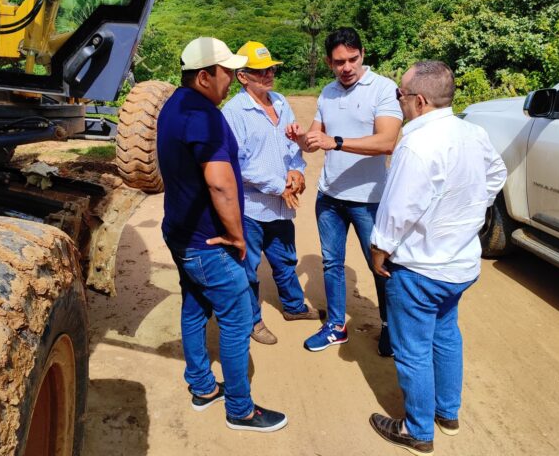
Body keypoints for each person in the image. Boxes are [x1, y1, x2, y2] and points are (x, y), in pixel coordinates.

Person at [368, 60, 507, 455]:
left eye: (400, 95)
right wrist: (468, 211)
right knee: (446, 334)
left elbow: (398, 209)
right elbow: (497, 172)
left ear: (419, 100)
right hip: (460, 264)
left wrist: (379, 248)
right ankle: (447, 413)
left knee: (413, 349)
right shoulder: (472, 132)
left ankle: (417, 430)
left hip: (421, 268)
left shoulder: (416, 143)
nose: (399, 102)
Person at [157, 37, 287, 433]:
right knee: (237, 318)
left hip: (180, 234)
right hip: (209, 242)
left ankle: (201, 386)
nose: (231, 79)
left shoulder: (174, 106)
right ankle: (241, 409)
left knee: (195, 307)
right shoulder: (207, 117)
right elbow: (220, 184)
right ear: (203, 76)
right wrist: (237, 236)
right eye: (226, 72)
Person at [285, 27, 402, 355]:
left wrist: (335, 142)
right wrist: (300, 138)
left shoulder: (383, 89)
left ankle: (391, 327)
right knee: (331, 264)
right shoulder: (327, 93)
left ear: (363, 54)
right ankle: (336, 326)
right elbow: (314, 140)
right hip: (330, 197)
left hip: (370, 200)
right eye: (339, 62)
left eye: (352, 59)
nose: (347, 67)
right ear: (328, 62)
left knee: (380, 266)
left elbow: (386, 142)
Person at [222, 41, 320, 346]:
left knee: (285, 259)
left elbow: (292, 144)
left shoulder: (280, 102)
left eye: (271, 69)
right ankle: (252, 320)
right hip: (252, 207)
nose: (268, 75)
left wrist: (297, 171)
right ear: (243, 76)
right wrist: (279, 187)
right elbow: (237, 165)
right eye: (260, 71)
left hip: (280, 207)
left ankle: (293, 307)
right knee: (248, 268)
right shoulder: (234, 112)